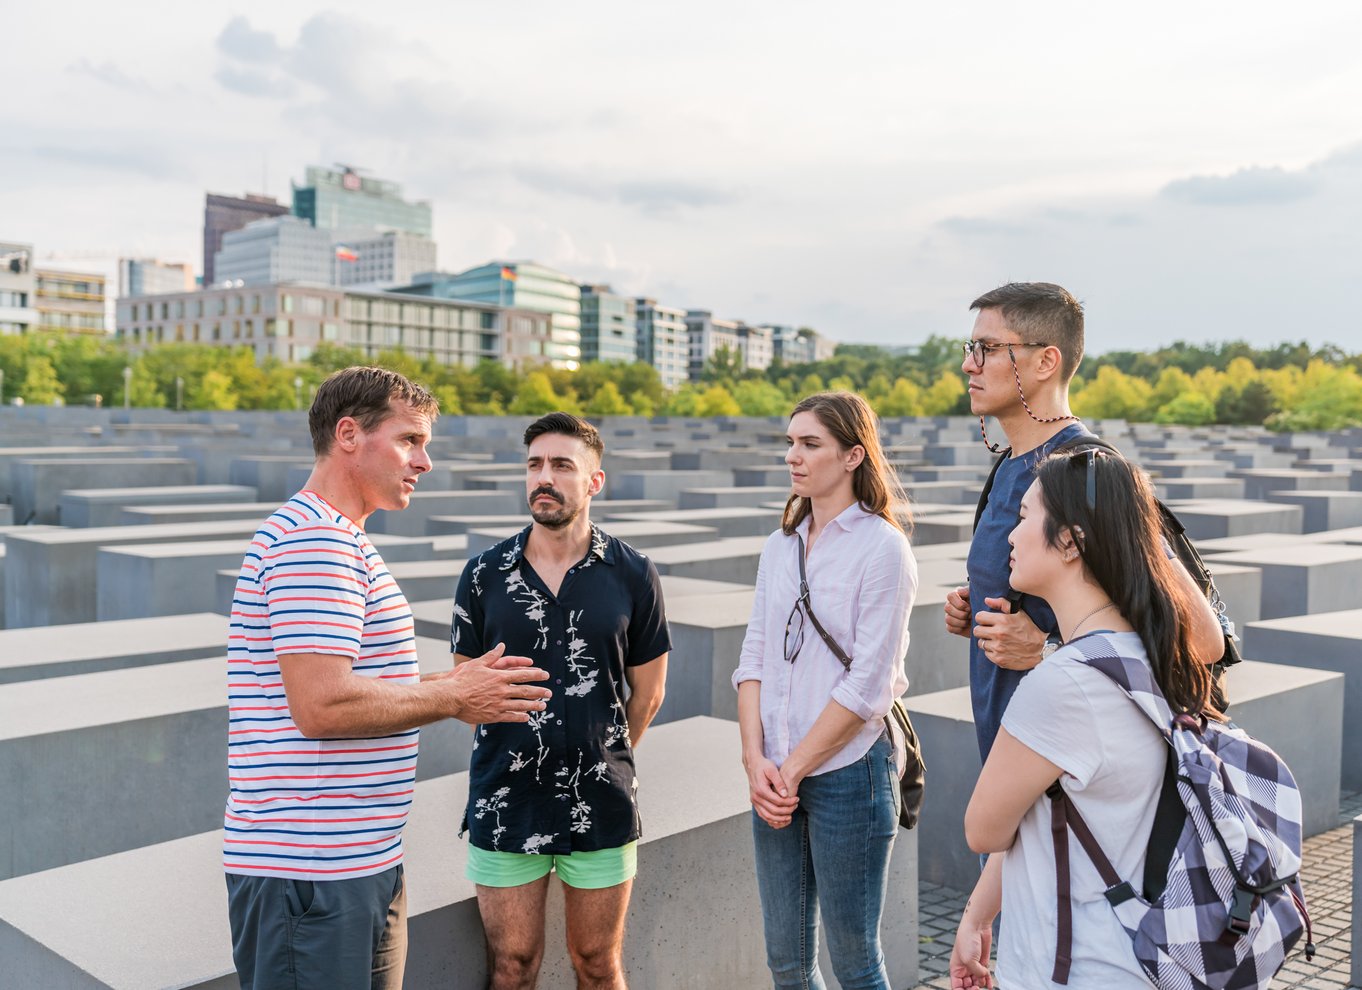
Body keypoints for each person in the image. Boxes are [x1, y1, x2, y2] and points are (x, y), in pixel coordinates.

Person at [223, 366, 553, 990]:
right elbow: (321, 706)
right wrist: (453, 694)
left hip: (358, 863)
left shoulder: (339, 539)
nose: (424, 461)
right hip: (312, 874)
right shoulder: (313, 543)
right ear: (348, 434)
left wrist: (455, 688)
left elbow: (356, 683)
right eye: (410, 440)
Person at [949, 449, 1220, 989]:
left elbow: (984, 830)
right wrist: (979, 915)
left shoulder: (1061, 685)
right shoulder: (1151, 655)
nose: (1009, 535)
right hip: (1136, 957)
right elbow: (1054, 816)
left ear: (1069, 541)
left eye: (1024, 517)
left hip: (1071, 968)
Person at [942, 282, 1224, 763]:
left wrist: (1047, 648)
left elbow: (1201, 640)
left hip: (1082, 779)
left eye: (988, 349)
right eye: (971, 348)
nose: (969, 364)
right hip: (1017, 763)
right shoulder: (1009, 464)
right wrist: (983, 604)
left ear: (1046, 362)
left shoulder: (1085, 471)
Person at [452, 411, 669, 990]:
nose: (542, 477)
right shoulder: (482, 575)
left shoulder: (634, 574)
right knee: (512, 966)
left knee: (598, 965)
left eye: (561, 465)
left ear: (594, 481)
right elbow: (465, 692)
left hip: (602, 802)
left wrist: (601, 755)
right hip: (506, 797)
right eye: (534, 465)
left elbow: (647, 695)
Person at [734, 391, 918, 990]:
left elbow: (869, 684)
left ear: (852, 456)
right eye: (790, 442)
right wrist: (756, 761)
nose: (794, 455)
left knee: (856, 963)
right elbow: (753, 656)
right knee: (786, 962)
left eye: (810, 444)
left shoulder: (883, 548)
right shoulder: (778, 545)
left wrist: (793, 769)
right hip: (776, 776)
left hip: (849, 774)